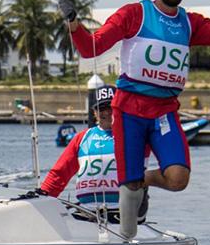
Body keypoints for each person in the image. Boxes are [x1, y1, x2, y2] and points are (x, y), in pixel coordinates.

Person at [58, 0, 210, 238]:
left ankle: (144, 180)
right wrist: (73, 22)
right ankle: (126, 240)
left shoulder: (189, 23)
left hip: (164, 112)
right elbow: (90, 48)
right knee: (129, 188)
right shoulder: (134, 14)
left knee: (178, 179)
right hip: (130, 111)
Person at [40, 86, 147, 224]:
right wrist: (41, 198)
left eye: (111, 107)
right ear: (94, 112)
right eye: (102, 108)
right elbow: (59, 174)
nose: (107, 112)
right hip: (86, 212)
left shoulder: (134, 135)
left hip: (122, 210)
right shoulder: (82, 138)